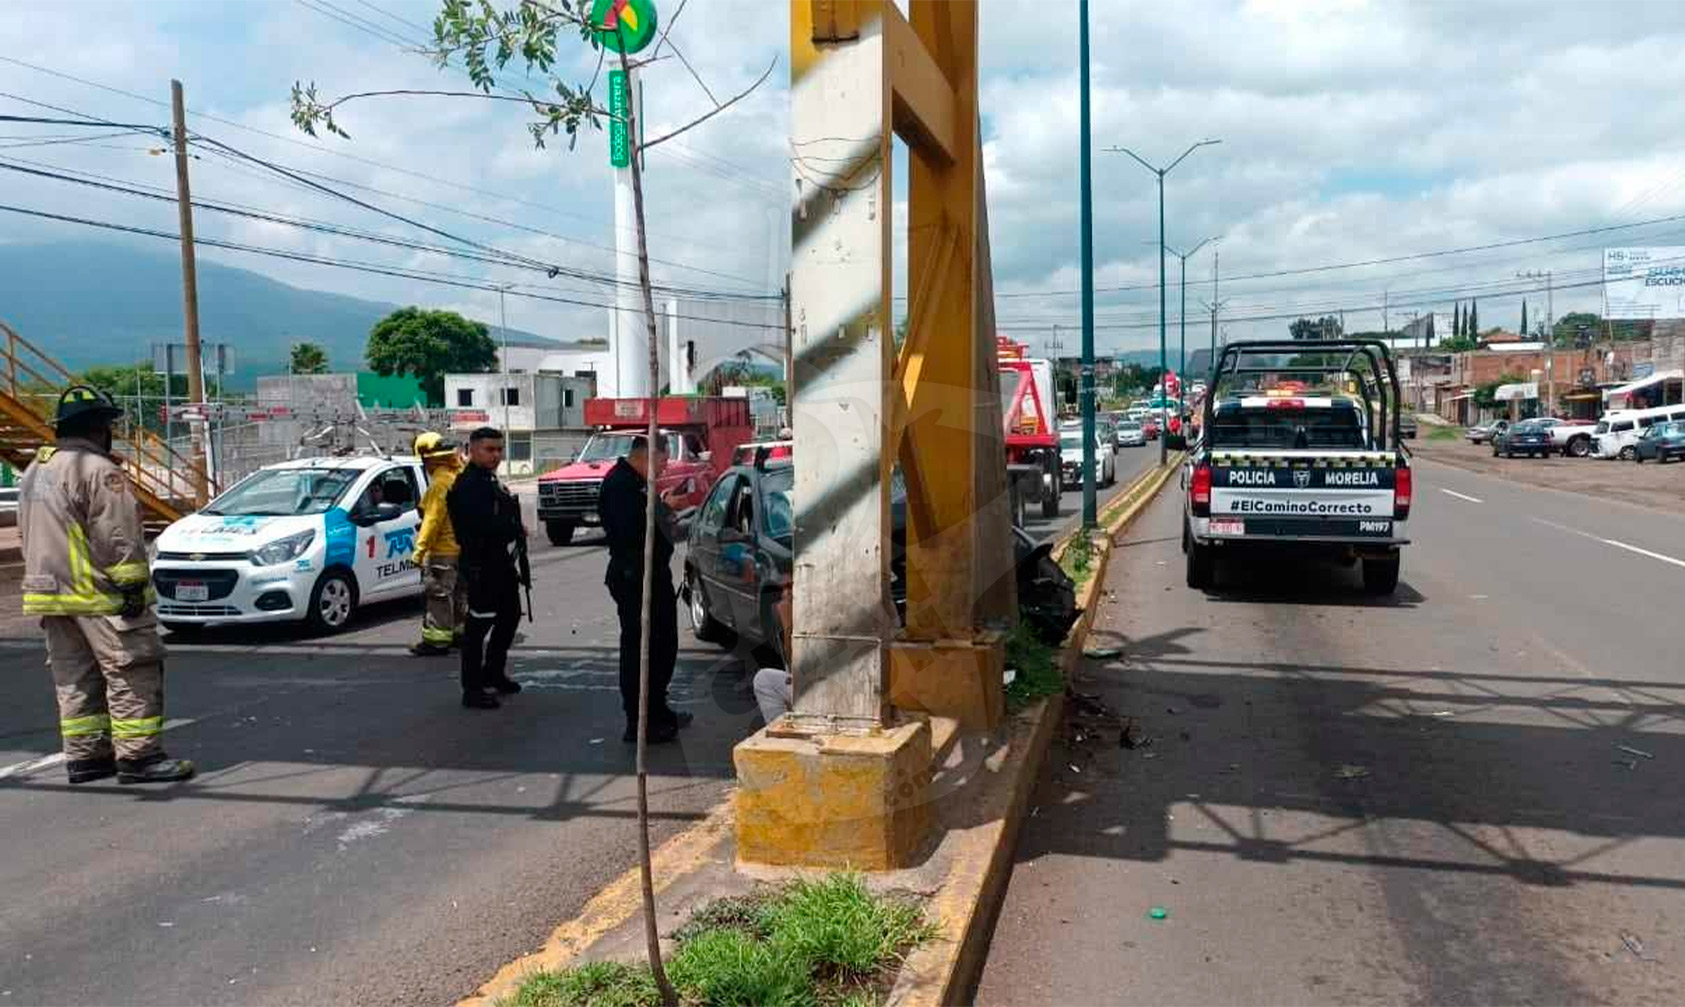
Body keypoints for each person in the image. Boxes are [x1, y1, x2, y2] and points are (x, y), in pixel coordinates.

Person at [19, 385, 195, 784]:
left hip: (50, 593)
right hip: (99, 594)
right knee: (133, 669)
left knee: (75, 677)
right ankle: (139, 758)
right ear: (100, 428)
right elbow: (118, 536)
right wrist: (132, 587)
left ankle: (86, 758)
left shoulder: (35, 471)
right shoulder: (99, 471)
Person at [599, 435, 691, 743]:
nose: (666, 467)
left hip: (652, 575)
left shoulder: (638, 483)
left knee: (662, 647)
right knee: (642, 651)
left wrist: (662, 506)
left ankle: (657, 711)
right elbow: (635, 530)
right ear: (647, 456)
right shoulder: (620, 486)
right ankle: (639, 722)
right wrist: (664, 509)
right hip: (634, 577)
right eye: (664, 460)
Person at [446, 427, 525, 709]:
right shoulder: (469, 485)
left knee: (510, 616)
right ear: (472, 450)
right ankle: (473, 688)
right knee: (477, 627)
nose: (496, 455)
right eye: (489, 449)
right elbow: (481, 527)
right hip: (482, 565)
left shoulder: (487, 480)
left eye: (499, 450)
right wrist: (513, 528)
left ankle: (493, 672)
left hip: (498, 564)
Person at [409, 431, 466, 657]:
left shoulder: (438, 485)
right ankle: (460, 634)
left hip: (442, 552)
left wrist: (419, 552)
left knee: (438, 595)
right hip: (463, 550)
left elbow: (431, 521)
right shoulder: (458, 477)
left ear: (429, 459)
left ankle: (436, 641)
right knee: (461, 595)